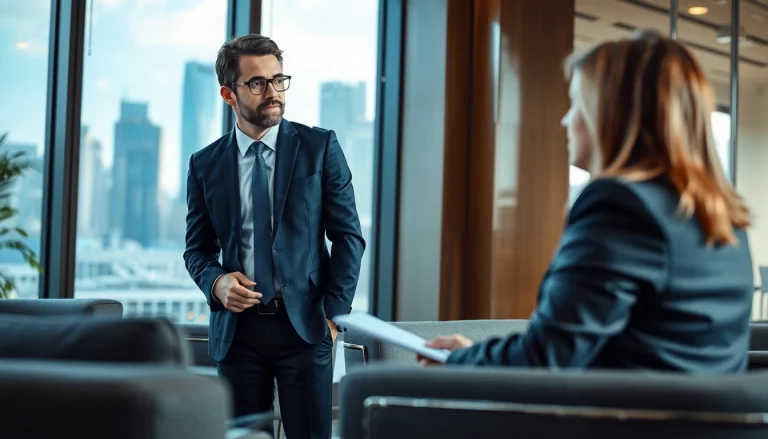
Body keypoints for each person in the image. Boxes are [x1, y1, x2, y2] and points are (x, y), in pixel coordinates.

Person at [419, 29, 754, 373]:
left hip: (616, 408)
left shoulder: (622, 205)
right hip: (684, 408)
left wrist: (457, 362)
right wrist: (475, 354)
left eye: (577, 103)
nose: (565, 120)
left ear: (610, 115)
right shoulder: (721, 214)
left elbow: (547, 359)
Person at [184, 34, 365, 438]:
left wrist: (332, 316)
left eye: (278, 79)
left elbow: (349, 237)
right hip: (237, 331)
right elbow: (197, 249)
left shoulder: (319, 147)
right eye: (257, 83)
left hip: (306, 324)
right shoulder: (204, 164)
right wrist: (216, 283)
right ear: (228, 94)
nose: (273, 92)